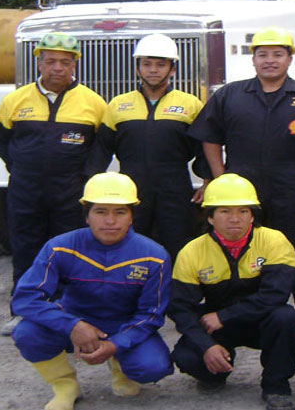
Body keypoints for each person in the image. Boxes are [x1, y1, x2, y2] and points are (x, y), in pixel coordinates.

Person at [188, 26, 295, 342]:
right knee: (239, 251)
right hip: (240, 193)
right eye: (263, 54)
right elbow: (209, 138)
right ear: (253, 59)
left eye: (278, 54)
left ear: (290, 59)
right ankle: (239, 313)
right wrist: (221, 179)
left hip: (292, 188)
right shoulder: (230, 95)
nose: (270, 60)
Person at [11, 172, 173, 410]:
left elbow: (151, 315)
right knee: (27, 333)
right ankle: (64, 385)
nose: (110, 221)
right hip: (74, 318)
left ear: (131, 217)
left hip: (123, 324)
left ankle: (120, 366)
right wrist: (72, 325)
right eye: (101, 211)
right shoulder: (60, 247)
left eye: (120, 212)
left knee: (153, 366)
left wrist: (116, 344)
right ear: (87, 215)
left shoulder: (154, 256)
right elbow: (25, 299)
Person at [0, 32, 106, 335]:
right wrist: (21, 168)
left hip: (70, 192)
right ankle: (22, 312)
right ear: (39, 63)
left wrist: (85, 179)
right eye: (51, 61)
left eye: (65, 62)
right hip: (25, 191)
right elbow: (1, 141)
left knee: (69, 251)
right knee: (26, 250)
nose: (58, 68)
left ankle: (68, 314)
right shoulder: (15, 100)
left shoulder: (93, 103)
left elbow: (101, 147)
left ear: (74, 65)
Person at [168, 173, 295, 410]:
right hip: (218, 326)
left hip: (259, 321)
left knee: (286, 318)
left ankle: (276, 386)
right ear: (210, 217)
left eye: (243, 211)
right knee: (187, 355)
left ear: (253, 215)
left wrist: (224, 316)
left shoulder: (274, 241)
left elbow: (275, 296)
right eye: (225, 211)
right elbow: (180, 307)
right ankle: (215, 373)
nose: (235, 219)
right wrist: (206, 346)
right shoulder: (192, 252)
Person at [86, 33, 209, 260]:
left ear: (172, 69)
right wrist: (91, 185)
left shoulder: (190, 104)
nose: (153, 70)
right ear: (137, 68)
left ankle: (176, 284)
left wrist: (207, 181)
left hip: (175, 188)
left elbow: (203, 148)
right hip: (131, 189)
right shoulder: (118, 105)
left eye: (161, 65)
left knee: (178, 245)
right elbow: (101, 150)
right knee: (131, 246)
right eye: (147, 64)